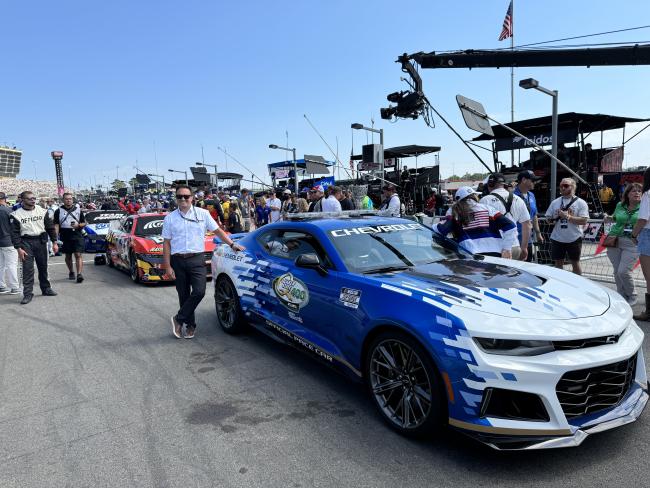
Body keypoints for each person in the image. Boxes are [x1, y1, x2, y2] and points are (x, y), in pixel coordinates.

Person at [162, 185, 245, 339]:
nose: (183, 199)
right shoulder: (170, 218)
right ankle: (190, 325)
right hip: (178, 260)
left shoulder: (203, 214)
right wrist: (167, 266)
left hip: (196, 259)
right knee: (183, 295)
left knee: (199, 291)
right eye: (179, 196)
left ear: (192, 198)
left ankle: (178, 319)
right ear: (176, 198)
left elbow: (218, 231)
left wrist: (232, 244)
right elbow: (166, 243)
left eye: (186, 196)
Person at [434, 186, 516, 258]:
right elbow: (511, 226)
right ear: (474, 196)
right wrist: (507, 248)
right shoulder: (488, 209)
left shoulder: (454, 211)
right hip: (495, 253)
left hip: (470, 255)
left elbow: (441, 230)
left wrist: (433, 226)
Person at [10, 191, 58, 305]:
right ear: (23, 200)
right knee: (27, 270)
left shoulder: (42, 211)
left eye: (34, 198)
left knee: (43, 267)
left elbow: (50, 227)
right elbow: (14, 233)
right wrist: (18, 248)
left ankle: (46, 289)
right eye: (29, 198)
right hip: (26, 242)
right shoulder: (16, 214)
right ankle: (27, 294)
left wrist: (55, 242)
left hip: (41, 241)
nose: (33, 200)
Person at [605, 183, 641, 306]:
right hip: (615, 239)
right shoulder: (620, 205)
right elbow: (616, 218)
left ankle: (632, 295)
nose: (637, 193)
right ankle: (621, 294)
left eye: (639, 191)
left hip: (633, 242)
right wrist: (608, 218)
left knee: (623, 271)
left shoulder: (645, 207)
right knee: (616, 271)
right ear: (627, 194)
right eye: (633, 191)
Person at [480, 173, 531, 261]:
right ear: (504, 184)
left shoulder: (485, 201)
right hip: (515, 246)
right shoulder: (518, 199)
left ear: (490, 184)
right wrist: (524, 248)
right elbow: (527, 224)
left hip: (494, 249)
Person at [545, 178, 589, 275]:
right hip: (557, 238)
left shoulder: (581, 202)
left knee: (575, 264)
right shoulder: (555, 202)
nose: (562, 188)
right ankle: (560, 285)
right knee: (558, 264)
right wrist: (553, 219)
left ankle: (578, 286)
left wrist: (568, 217)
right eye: (561, 186)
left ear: (573, 187)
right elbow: (548, 219)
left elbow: (584, 220)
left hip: (574, 238)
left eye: (565, 186)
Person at [54, 193, 87, 283]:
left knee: (78, 254)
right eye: (66, 199)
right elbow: (56, 225)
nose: (68, 200)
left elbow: (84, 223)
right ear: (63, 200)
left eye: (70, 199)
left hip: (77, 234)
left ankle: (79, 274)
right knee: (68, 256)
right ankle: (71, 271)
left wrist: (78, 225)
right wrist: (55, 239)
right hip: (65, 234)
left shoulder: (78, 210)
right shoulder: (58, 211)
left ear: (72, 200)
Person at [631, 167, 650, 320]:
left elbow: (643, 219)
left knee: (649, 276)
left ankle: (649, 312)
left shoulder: (647, 194)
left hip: (648, 234)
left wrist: (634, 234)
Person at [513, 170, 544, 262]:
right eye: (532, 180)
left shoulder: (531, 195)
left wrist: (538, 233)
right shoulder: (511, 196)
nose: (535, 182)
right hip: (514, 240)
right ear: (524, 180)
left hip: (527, 240)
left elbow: (534, 215)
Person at [0, 192, 20, 295]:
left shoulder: (8, 210)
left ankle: (1, 286)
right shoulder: (8, 210)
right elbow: (15, 227)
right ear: (4, 199)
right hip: (8, 241)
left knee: (1, 265)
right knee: (11, 265)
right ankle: (15, 287)